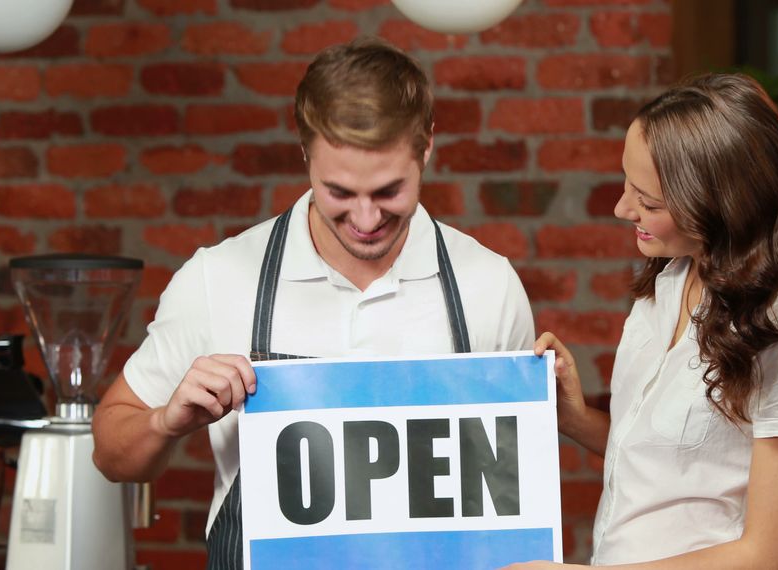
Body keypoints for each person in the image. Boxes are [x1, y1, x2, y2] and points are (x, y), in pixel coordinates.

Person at [91, 36, 535, 569]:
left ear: (427, 148)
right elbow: (112, 455)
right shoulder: (220, 278)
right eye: (340, 193)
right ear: (305, 155)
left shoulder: (487, 286)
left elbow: (517, 497)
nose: (366, 220)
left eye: (389, 191)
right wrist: (166, 421)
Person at [510, 73, 778, 569]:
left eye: (649, 202)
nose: (624, 208)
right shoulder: (671, 279)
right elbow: (673, 468)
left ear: (721, 206)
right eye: (628, 183)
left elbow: (770, 555)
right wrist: (574, 417)